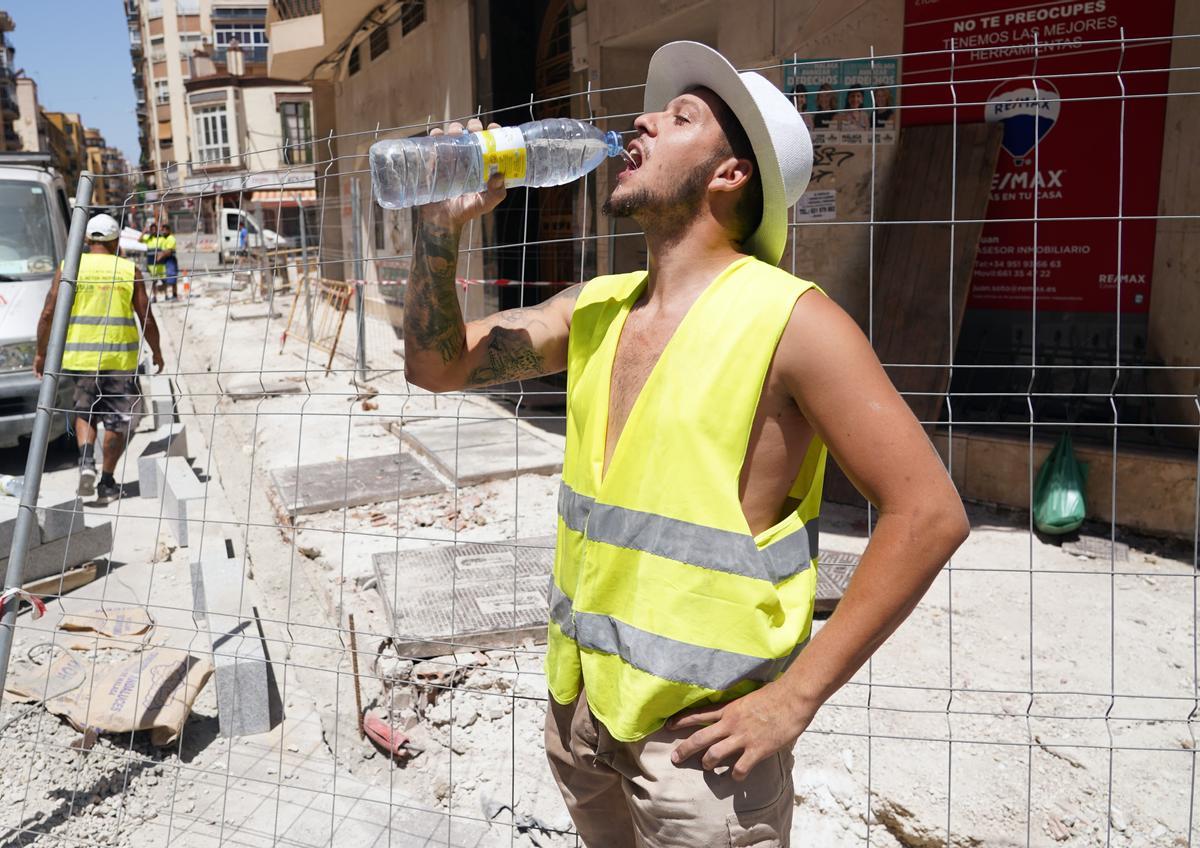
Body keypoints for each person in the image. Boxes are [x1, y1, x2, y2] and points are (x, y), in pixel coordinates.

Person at [402, 41, 969, 846]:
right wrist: (435, 230)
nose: (640, 121)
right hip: (583, 715)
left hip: (703, 753)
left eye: (680, 117)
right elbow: (435, 364)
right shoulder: (592, 310)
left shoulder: (795, 323)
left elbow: (929, 512)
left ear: (730, 174)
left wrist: (795, 698)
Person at [35, 213, 164, 505]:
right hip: (118, 360)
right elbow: (145, 316)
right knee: (118, 421)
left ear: (86, 239)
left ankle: (85, 464)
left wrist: (41, 353)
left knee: (86, 412)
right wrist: (156, 351)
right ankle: (106, 481)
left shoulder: (70, 268)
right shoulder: (128, 269)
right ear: (116, 240)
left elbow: (47, 313)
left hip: (80, 359)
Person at [158, 223, 178, 301]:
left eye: (166, 230)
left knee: (172, 278)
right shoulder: (163, 239)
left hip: (170, 259)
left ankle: (174, 295)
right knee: (164, 278)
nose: (164, 231)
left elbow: (168, 251)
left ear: (169, 230)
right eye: (163, 230)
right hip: (164, 260)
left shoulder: (171, 238)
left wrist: (160, 256)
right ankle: (166, 295)